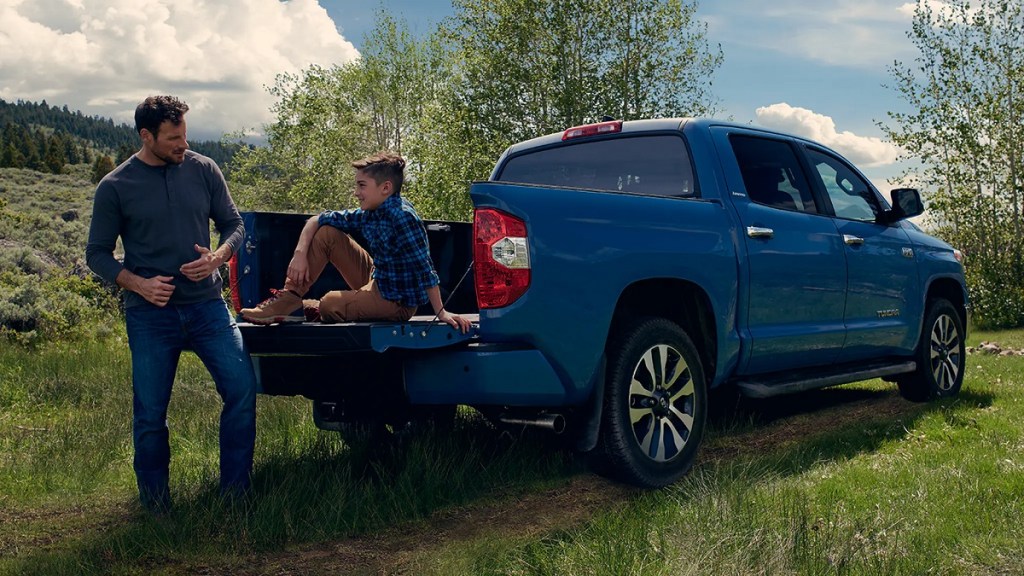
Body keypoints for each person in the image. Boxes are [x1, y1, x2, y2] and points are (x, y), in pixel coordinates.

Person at [85, 95, 257, 512]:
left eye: (184, 134)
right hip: (150, 314)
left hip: (207, 307)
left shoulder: (203, 169)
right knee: (149, 414)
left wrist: (218, 257)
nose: (183, 144)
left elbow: (234, 225)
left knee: (242, 389)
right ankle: (157, 509)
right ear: (147, 136)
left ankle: (235, 496)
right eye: (173, 137)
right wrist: (138, 285)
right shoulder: (115, 186)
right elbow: (97, 254)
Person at [240, 151, 472, 334]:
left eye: (362, 185)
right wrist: (299, 255)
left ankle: (307, 306)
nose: (356, 192)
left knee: (331, 303)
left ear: (385, 188)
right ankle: (289, 299)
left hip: (396, 303)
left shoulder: (402, 218)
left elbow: (425, 269)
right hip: (378, 280)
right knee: (327, 233)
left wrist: (441, 312)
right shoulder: (371, 211)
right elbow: (317, 219)